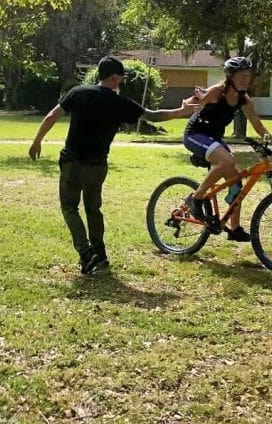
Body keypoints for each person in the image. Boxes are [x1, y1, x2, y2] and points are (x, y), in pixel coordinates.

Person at [29, 55, 202, 275]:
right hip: (97, 165)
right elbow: (152, 116)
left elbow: (52, 115)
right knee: (93, 209)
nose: (121, 82)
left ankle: (85, 253)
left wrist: (37, 142)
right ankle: (100, 256)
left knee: (70, 207)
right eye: (120, 78)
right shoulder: (120, 103)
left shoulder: (78, 92)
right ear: (114, 78)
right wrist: (183, 110)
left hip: (72, 162)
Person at [183, 56, 272, 242]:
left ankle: (235, 228)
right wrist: (196, 98)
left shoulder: (243, 100)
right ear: (231, 76)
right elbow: (197, 99)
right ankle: (195, 198)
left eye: (249, 76)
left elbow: (257, 124)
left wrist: (270, 140)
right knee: (227, 160)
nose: (246, 79)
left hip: (213, 140)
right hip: (195, 135)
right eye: (242, 75)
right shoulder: (218, 92)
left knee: (236, 183)